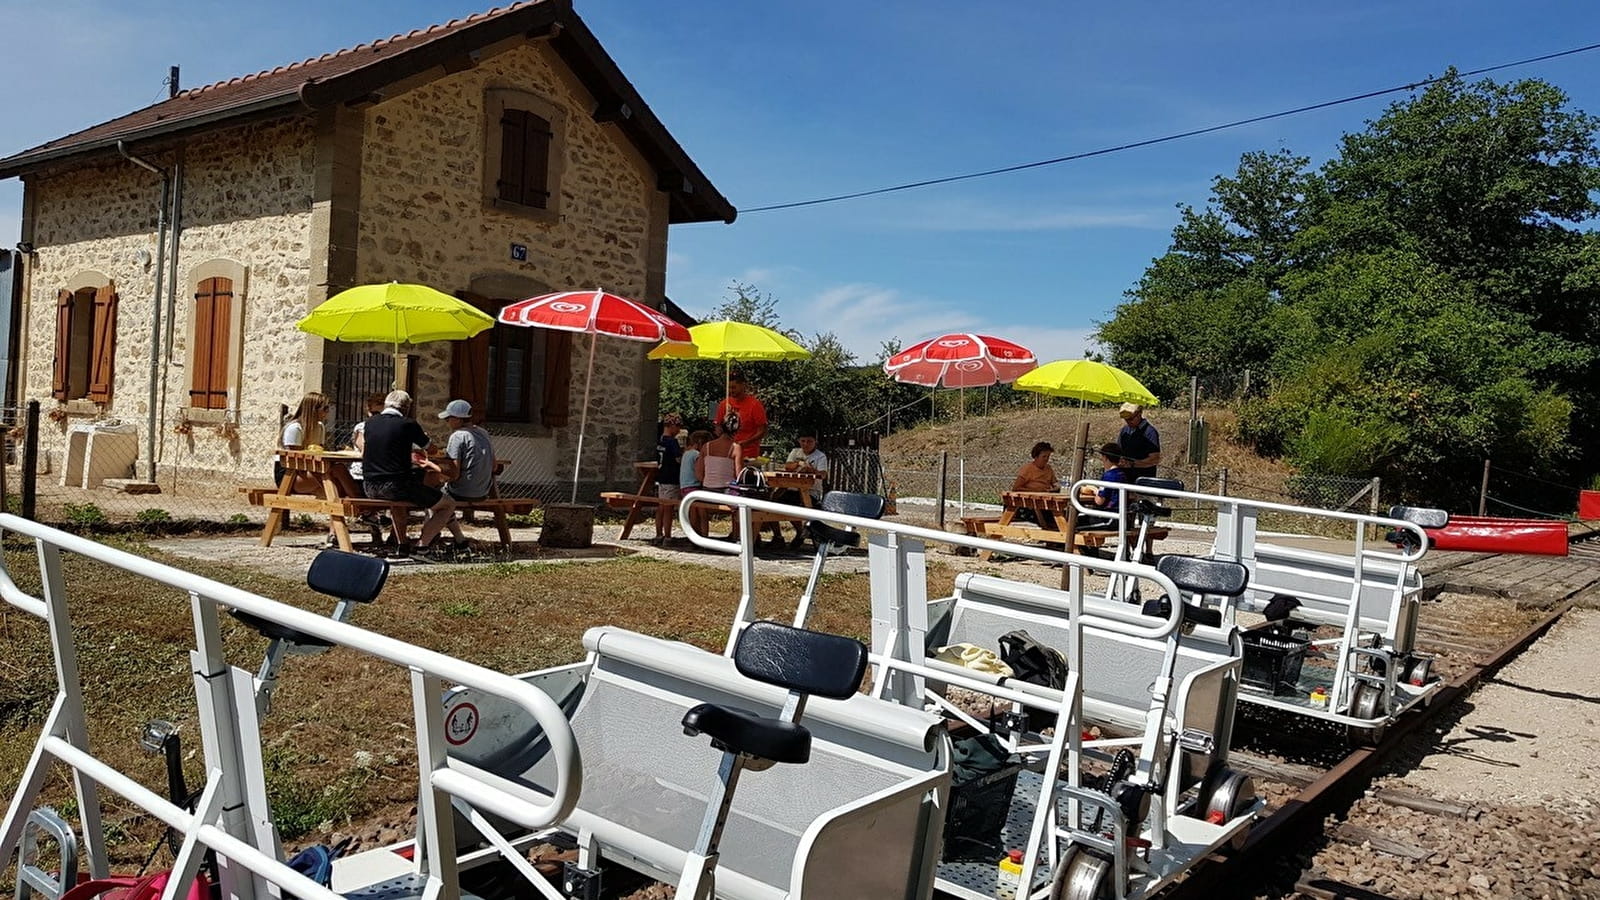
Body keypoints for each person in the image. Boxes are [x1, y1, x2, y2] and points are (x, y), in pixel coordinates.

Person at [361, 390, 455, 558]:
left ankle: (402, 544)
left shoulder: (370, 423)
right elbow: (431, 449)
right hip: (396, 486)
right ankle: (423, 546)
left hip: (369, 486)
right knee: (447, 504)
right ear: (406, 408)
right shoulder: (407, 424)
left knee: (398, 502)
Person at [437, 399, 495, 548]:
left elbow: (454, 473)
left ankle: (429, 538)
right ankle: (459, 540)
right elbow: (494, 466)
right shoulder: (483, 433)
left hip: (462, 490)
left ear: (457, 419)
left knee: (432, 497)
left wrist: (434, 468)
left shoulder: (458, 436)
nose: (447, 422)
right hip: (483, 491)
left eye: (448, 418)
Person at [776, 431, 829, 548]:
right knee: (772, 502)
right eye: (803, 441)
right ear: (799, 441)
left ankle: (803, 533)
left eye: (809, 441)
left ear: (815, 442)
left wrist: (810, 469)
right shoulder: (795, 452)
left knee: (799, 505)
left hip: (811, 492)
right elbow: (788, 466)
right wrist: (798, 464)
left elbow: (823, 475)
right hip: (792, 489)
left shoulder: (820, 456)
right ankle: (782, 535)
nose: (806, 444)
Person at [713, 371, 768, 460]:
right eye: (729, 388)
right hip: (727, 453)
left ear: (743, 385)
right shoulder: (724, 404)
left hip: (748, 454)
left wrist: (746, 442)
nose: (731, 391)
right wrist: (721, 438)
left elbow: (762, 431)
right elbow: (717, 425)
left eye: (734, 387)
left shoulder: (754, 405)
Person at [1077, 443, 1132, 529]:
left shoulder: (1108, 476)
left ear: (1105, 457)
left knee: (1074, 523)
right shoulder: (1122, 474)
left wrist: (1095, 490)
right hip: (1120, 516)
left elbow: (1099, 501)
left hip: (1110, 518)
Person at [1010, 441, 1060, 529]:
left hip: (1046, 499)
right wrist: (1035, 492)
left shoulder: (1048, 469)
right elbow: (1016, 488)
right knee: (1042, 511)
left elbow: (1055, 483)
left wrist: (1055, 488)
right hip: (1029, 502)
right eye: (1044, 456)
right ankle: (1048, 530)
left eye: (1048, 456)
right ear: (1036, 456)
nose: (1046, 459)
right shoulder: (1027, 469)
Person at [653, 414, 684, 545]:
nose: (679, 430)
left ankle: (658, 533)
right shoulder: (672, 442)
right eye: (678, 427)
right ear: (672, 426)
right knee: (668, 508)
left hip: (662, 477)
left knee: (661, 506)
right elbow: (678, 459)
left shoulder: (660, 440)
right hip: (671, 477)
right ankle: (667, 536)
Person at [1117, 403, 1161, 481]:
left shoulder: (1150, 432)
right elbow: (1118, 451)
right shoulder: (1124, 430)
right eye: (1126, 419)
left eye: (1131, 419)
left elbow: (1155, 459)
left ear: (1139, 414)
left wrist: (1133, 464)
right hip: (1125, 478)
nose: (1128, 422)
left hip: (1143, 480)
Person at [680, 429, 710, 537]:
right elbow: (699, 471)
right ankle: (704, 535)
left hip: (684, 487)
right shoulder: (696, 455)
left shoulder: (686, 454)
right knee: (702, 513)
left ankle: (693, 535)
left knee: (693, 512)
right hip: (694, 486)